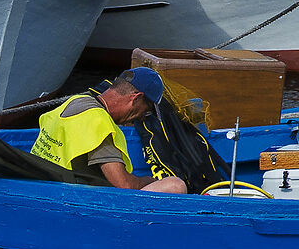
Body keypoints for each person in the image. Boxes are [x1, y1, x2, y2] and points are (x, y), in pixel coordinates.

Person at [31, 68, 188, 191]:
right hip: (70, 197)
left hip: (45, 183)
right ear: (136, 98)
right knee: (175, 186)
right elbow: (124, 185)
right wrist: (149, 181)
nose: (142, 118)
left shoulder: (77, 102)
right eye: (145, 111)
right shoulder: (98, 122)